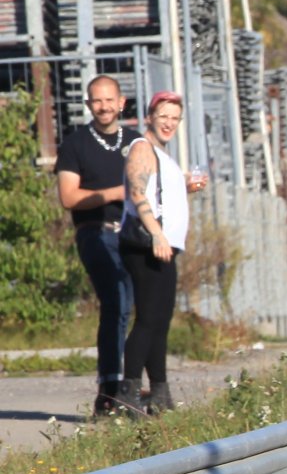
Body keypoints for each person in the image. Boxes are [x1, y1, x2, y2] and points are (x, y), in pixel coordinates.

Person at [118, 92, 207, 414]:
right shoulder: (142, 148)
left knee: (160, 321)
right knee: (148, 320)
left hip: (164, 245)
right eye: (163, 116)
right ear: (150, 118)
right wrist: (157, 234)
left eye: (174, 118)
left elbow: (160, 194)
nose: (169, 123)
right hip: (147, 245)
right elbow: (137, 192)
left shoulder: (163, 155)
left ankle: (159, 393)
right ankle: (127, 394)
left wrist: (186, 188)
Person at [56, 75, 135, 416]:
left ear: (121, 102)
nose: (103, 107)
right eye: (97, 101)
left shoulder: (135, 142)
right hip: (96, 232)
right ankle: (109, 390)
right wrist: (116, 193)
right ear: (88, 104)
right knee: (116, 302)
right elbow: (68, 197)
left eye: (109, 100)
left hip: (134, 234)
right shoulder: (75, 145)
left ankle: (135, 386)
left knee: (139, 307)